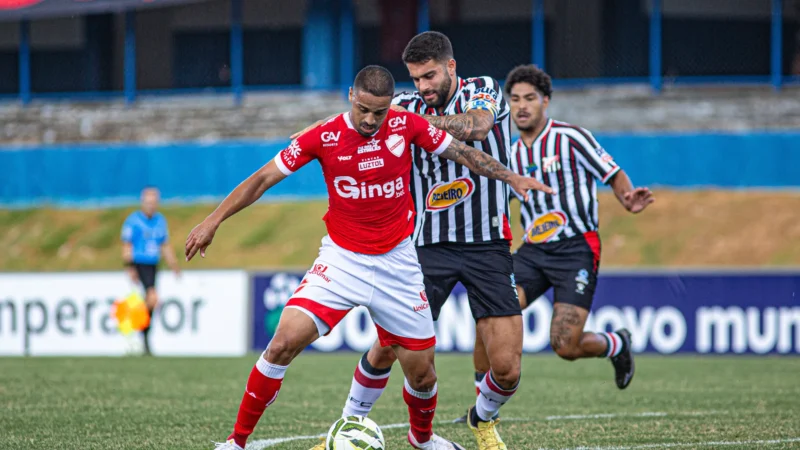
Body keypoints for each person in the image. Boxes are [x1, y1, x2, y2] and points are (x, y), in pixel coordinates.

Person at [184, 65, 551, 450]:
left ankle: (422, 440)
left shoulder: (406, 124)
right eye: (364, 110)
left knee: (423, 375)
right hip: (343, 260)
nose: (371, 120)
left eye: (380, 112)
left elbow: (463, 153)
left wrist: (512, 178)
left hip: (399, 264)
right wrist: (214, 220)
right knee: (281, 344)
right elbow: (261, 179)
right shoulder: (322, 136)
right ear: (350, 97)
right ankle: (236, 442)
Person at [298, 31, 534, 450]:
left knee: (508, 367)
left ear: (451, 67)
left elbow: (478, 129)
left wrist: (409, 123)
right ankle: (346, 427)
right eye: (416, 80)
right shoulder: (401, 107)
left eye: (429, 76)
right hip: (423, 247)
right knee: (388, 346)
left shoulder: (483, 90)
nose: (423, 88)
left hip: (488, 245)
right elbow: (345, 126)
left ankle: (481, 419)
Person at [468, 64, 655, 396]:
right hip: (533, 250)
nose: (521, 106)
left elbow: (611, 171)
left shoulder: (571, 137)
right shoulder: (507, 152)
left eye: (530, 98)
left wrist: (627, 198)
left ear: (546, 101)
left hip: (576, 248)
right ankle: (483, 401)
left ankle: (616, 344)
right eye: (514, 99)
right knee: (491, 314)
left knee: (565, 345)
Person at [121, 187, 181, 356]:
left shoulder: (160, 221)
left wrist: (174, 265)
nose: (151, 206)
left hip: (153, 265)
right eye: (148, 202)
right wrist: (129, 267)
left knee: (150, 301)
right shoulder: (133, 221)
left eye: (154, 202)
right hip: (139, 263)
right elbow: (127, 245)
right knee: (153, 297)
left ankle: (141, 330)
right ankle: (140, 331)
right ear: (142, 202)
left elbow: (165, 245)